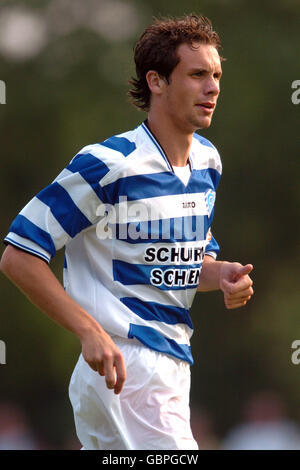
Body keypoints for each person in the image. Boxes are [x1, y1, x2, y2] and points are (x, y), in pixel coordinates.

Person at [0, 14, 254, 450]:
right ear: (156, 81)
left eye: (216, 75)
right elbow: (19, 255)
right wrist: (89, 331)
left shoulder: (208, 163)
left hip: (167, 366)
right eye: (196, 75)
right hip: (128, 364)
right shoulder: (108, 163)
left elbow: (190, 263)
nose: (212, 87)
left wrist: (221, 273)